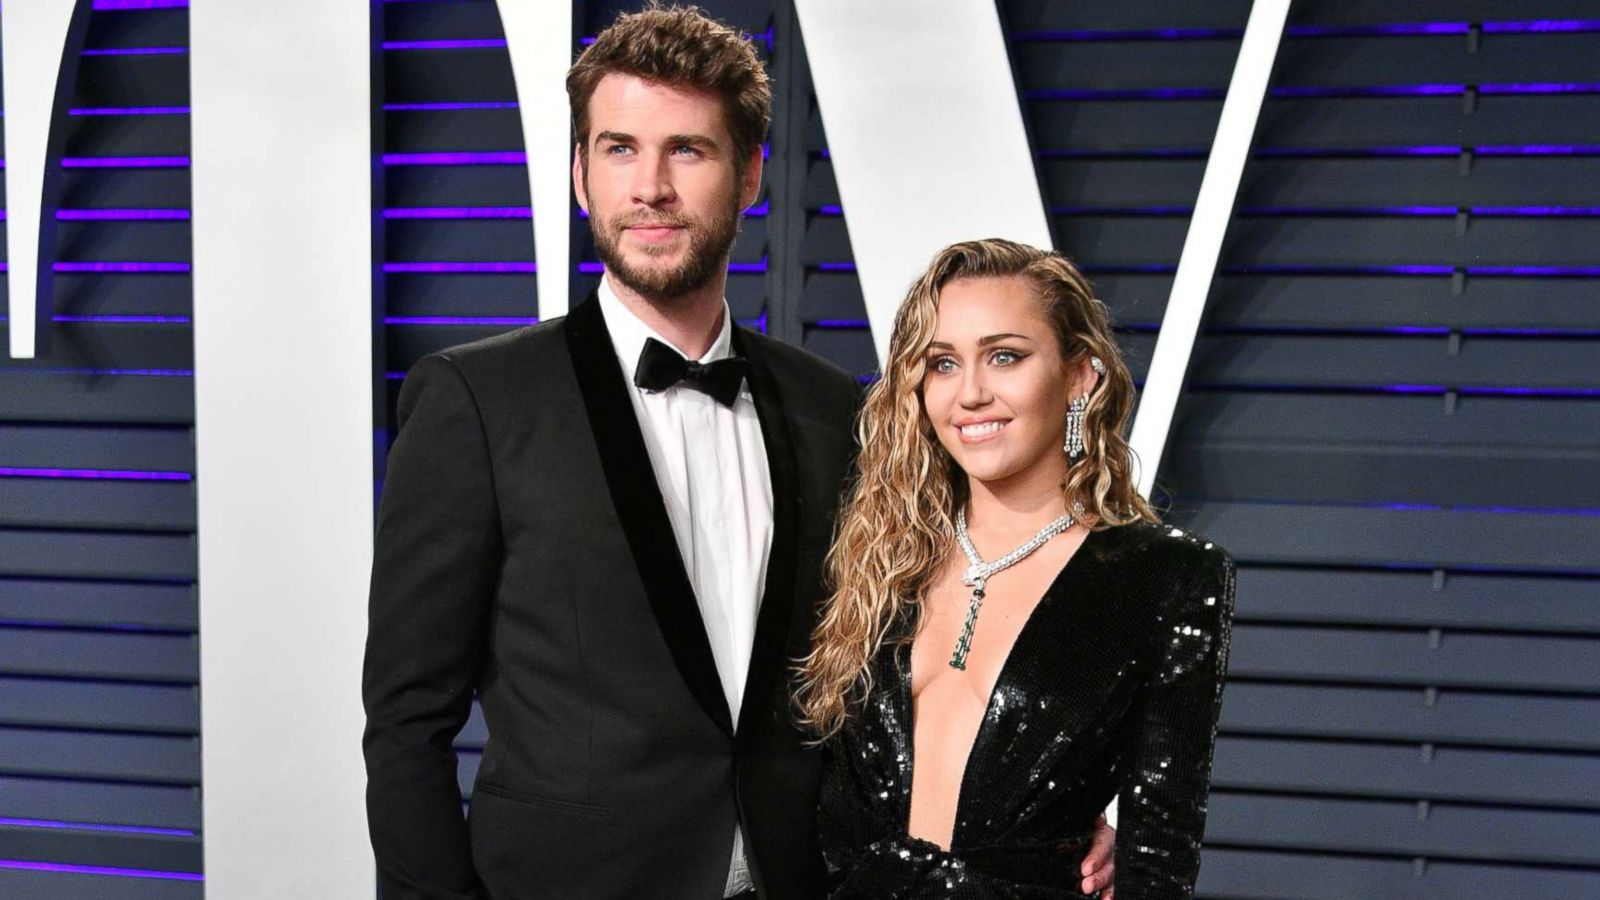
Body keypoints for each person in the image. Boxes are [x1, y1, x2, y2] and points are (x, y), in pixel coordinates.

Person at [363, 6, 1117, 899]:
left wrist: (1043, 803)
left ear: (751, 173)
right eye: (617, 149)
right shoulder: (477, 402)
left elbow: (905, 667)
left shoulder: (833, 407)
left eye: (687, 150)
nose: (649, 186)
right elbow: (407, 723)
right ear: (578, 173)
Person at [799, 238, 1236, 899]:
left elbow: (1160, 869)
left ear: (1080, 375)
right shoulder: (877, 556)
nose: (970, 393)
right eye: (943, 363)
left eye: (1005, 356)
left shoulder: (1166, 579)